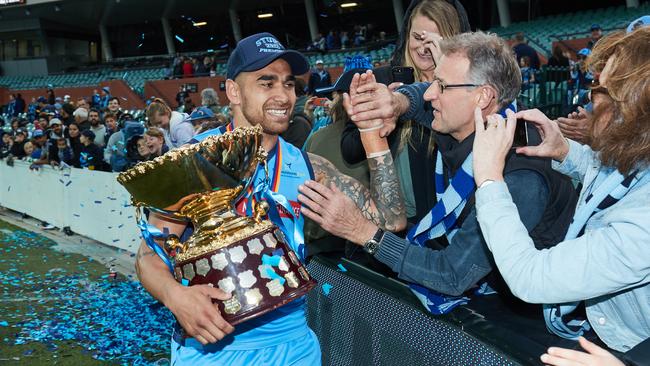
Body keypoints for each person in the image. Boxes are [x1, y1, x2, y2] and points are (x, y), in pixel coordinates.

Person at [136, 32, 405, 366]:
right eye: (267, 83)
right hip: (215, 349)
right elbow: (148, 256)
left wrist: (372, 137)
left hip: (294, 346)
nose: (283, 96)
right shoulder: (194, 161)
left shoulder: (308, 167)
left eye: (289, 84)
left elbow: (391, 220)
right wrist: (175, 297)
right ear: (233, 90)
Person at [299, 32, 576, 307]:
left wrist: (362, 232)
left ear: (483, 97)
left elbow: (452, 275)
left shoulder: (520, 176)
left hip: (532, 322)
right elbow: (419, 98)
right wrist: (395, 103)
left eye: (442, 86)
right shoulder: (487, 123)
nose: (431, 93)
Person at [471, 27, 650, 356]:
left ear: (632, 111)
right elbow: (617, 177)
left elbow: (530, 276)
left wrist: (488, 177)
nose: (588, 100)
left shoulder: (643, 225)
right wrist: (565, 150)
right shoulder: (641, 153)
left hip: (633, 346)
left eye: (599, 90)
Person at [341, 0, 469, 226]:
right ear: (406, 35)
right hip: (400, 221)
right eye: (418, 38)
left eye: (434, 41)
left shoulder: (466, 89)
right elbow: (349, 151)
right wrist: (374, 124)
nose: (424, 48)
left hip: (451, 217)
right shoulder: (381, 80)